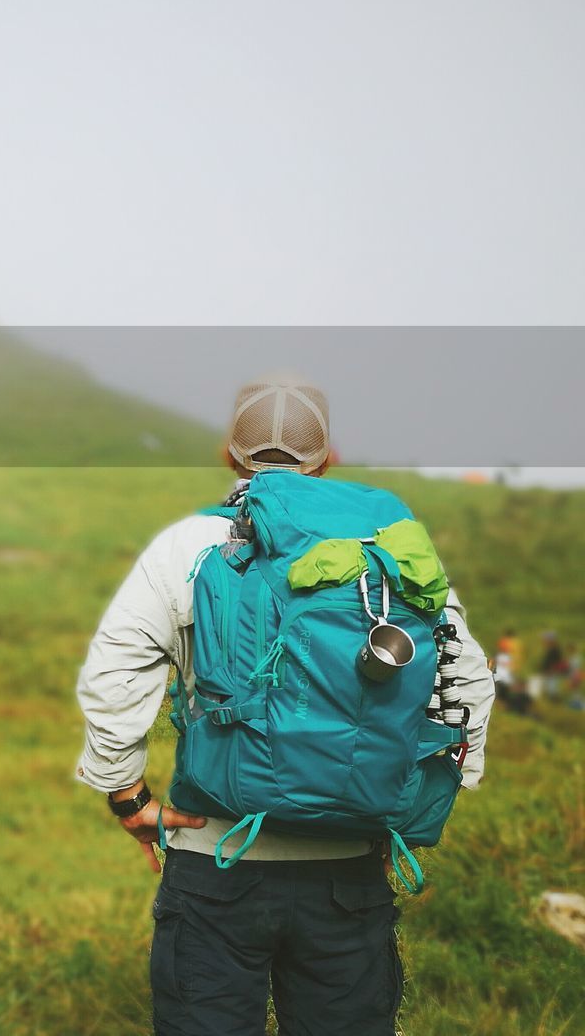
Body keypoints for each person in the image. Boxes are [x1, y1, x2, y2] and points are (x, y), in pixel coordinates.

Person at [75, 375, 496, 1036]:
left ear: (228, 456)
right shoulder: (386, 548)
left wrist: (127, 797)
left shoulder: (188, 547)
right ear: (328, 459)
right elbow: (466, 679)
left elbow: (114, 670)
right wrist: (409, 814)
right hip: (349, 868)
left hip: (213, 857)